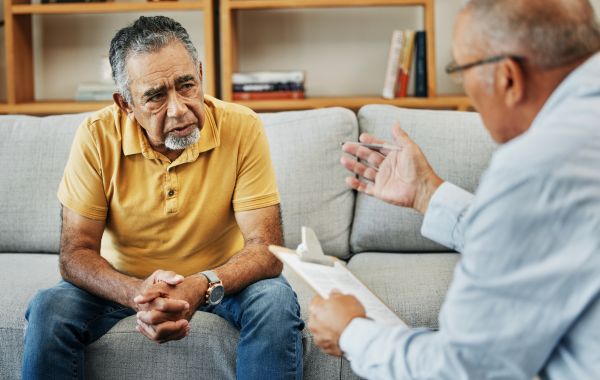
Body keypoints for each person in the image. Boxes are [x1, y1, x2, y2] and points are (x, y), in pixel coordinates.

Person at [308, 0, 600, 378]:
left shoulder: (538, 164)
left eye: (460, 70)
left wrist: (352, 334)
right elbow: (553, 241)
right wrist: (427, 194)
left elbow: (467, 368)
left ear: (507, 77)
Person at [22, 16, 304, 380]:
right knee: (48, 308)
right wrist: (139, 293)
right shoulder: (95, 136)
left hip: (222, 279)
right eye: (155, 96)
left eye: (186, 85)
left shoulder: (242, 125)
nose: (178, 109)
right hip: (123, 281)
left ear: (200, 74)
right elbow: (76, 254)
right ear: (125, 104)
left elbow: (265, 249)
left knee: (276, 301)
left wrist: (202, 284)